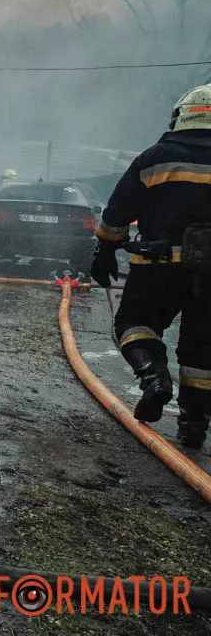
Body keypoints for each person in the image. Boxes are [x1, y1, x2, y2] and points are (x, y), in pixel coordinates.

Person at [91, 84, 211, 448]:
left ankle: (154, 376)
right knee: (203, 351)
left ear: (181, 116)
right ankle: (194, 424)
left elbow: (118, 210)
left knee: (133, 323)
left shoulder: (154, 158)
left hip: (156, 268)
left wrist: (105, 251)